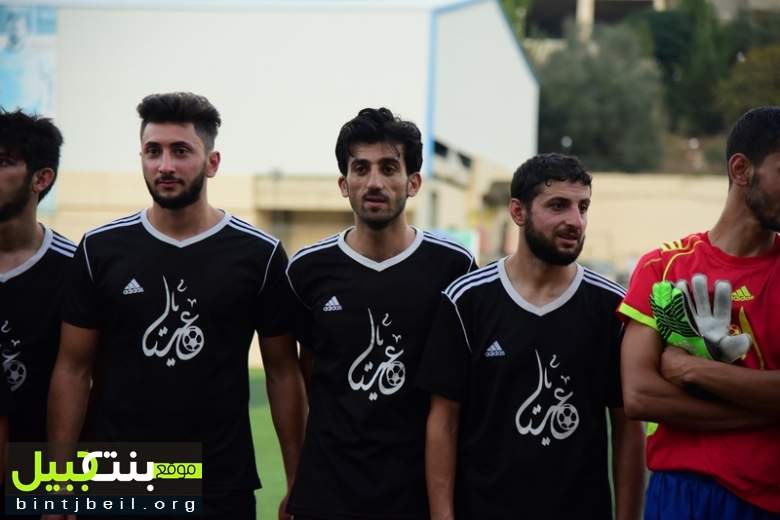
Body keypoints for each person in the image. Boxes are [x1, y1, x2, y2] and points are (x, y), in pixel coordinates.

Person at [47, 92, 306, 519]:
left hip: (218, 482)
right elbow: (72, 369)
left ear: (212, 162)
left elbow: (283, 372)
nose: (164, 165)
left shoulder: (259, 255)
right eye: (153, 151)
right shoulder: (99, 248)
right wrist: (55, 484)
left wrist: (298, 480)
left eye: (181, 151)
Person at [418, 153, 645, 520]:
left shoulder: (612, 307)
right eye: (558, 205)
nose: (575, 221)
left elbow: (628, 428)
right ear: (518, 212)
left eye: (583, 207)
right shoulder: (466, 301)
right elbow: (443, 422)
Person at [285, 107, 476, 519]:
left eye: (389, 168)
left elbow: (461, 394)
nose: (374, 182)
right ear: (344, 183)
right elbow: (304, 371)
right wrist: (295, 480)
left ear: (413, 182)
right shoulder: (307, 269)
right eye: (361, 168)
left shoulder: (454, 268)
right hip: (329, 493)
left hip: (417, 495)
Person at [619, 106, 780, 518]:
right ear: (741, 170)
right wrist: (763, 411)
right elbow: (639, 395)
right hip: (678, 494)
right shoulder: (662, 267)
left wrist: (691, 370)